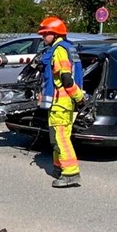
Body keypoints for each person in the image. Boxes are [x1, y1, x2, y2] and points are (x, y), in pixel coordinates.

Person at [37, 16, 86, 188]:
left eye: (45, 34)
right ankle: (59, 167)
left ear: (55, 34)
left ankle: (71, 174)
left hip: (61, 103)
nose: (43, 37)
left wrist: (79, 97)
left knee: (62, 139)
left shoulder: (59, 51)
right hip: (65, 104)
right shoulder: (69, 48)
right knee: (59, 139)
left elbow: (66, 78)